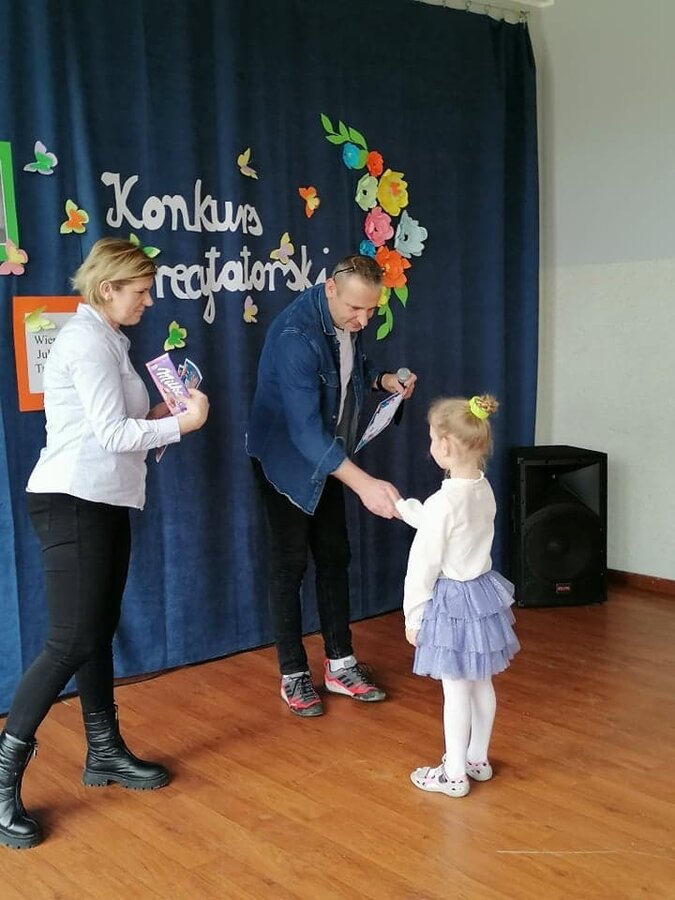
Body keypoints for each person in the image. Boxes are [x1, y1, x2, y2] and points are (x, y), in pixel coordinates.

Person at [0, 238, 209, 850]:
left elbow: (117, 425)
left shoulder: (109, 338)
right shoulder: (86, 341)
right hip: (72, 499)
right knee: (70, 640)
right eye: (140, 291)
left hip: (104, 498)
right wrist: (184, 423)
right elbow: (114, 434)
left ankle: (104, 750)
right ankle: (3, 775)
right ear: (106, 288)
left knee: (95, 632)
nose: (149, 301)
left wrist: (165, 412)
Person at [247, 254, 417, 717]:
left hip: (329, 458)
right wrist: (365, 484)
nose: (362, 320)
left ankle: (341, 664)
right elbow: (304, 434)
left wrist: (384, 380)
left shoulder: (346, 320)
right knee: (289, 565)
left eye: (371, 311)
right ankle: (293, 673)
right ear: (329, 290)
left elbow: (350, 369)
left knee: (334, 556)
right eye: (355, 309)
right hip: (286, 460)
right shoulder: (295, 337)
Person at [393, 394, 519, 797]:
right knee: (481, 682)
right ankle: (477, 758)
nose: (431, 445)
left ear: (445, 446)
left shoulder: (443, 502)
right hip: (480, 595)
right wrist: (404, 509)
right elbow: (448, 524)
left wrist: (413, 616)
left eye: (432, 438)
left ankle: (453, 774)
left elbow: (423, 564)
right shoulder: (482, 488)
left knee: (455, 691)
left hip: (451, 602)